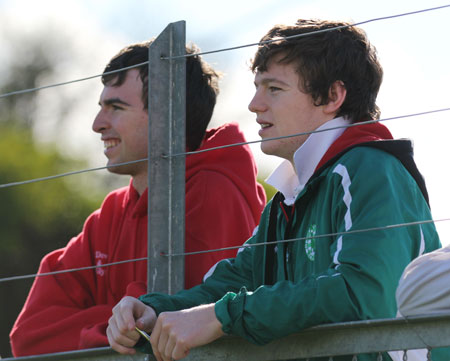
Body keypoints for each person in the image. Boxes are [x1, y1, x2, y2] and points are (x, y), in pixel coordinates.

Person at [106, 19, 442, 361]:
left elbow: (359, 291)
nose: (254, 104)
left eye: (274, 89)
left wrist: (222, 316)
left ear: (332, 96)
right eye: (256, 87)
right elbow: (236, 281)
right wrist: (155, 311)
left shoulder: (370, 168)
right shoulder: (290, 195)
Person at [9, 41, 266, 356]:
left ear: (167, 116)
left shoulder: (214, 193)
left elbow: (188, 329)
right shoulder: (111, 212)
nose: (97, 124)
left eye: (116, 108)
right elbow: (29, 335)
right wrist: (116, 325)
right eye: (102, 106)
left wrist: (111, 324)